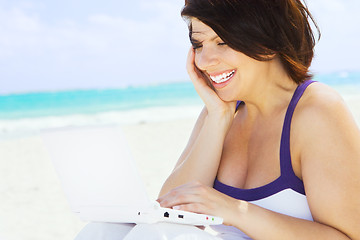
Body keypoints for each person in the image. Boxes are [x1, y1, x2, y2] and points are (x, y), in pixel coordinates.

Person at [75, 0, 360, 239]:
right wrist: (218, 117)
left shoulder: (316, 111)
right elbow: (170, 212)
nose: (206, 60)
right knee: (104, 229)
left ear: (269, 41)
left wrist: (236, 211)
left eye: (222, 42)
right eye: (198, 44)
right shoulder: (220, 112)